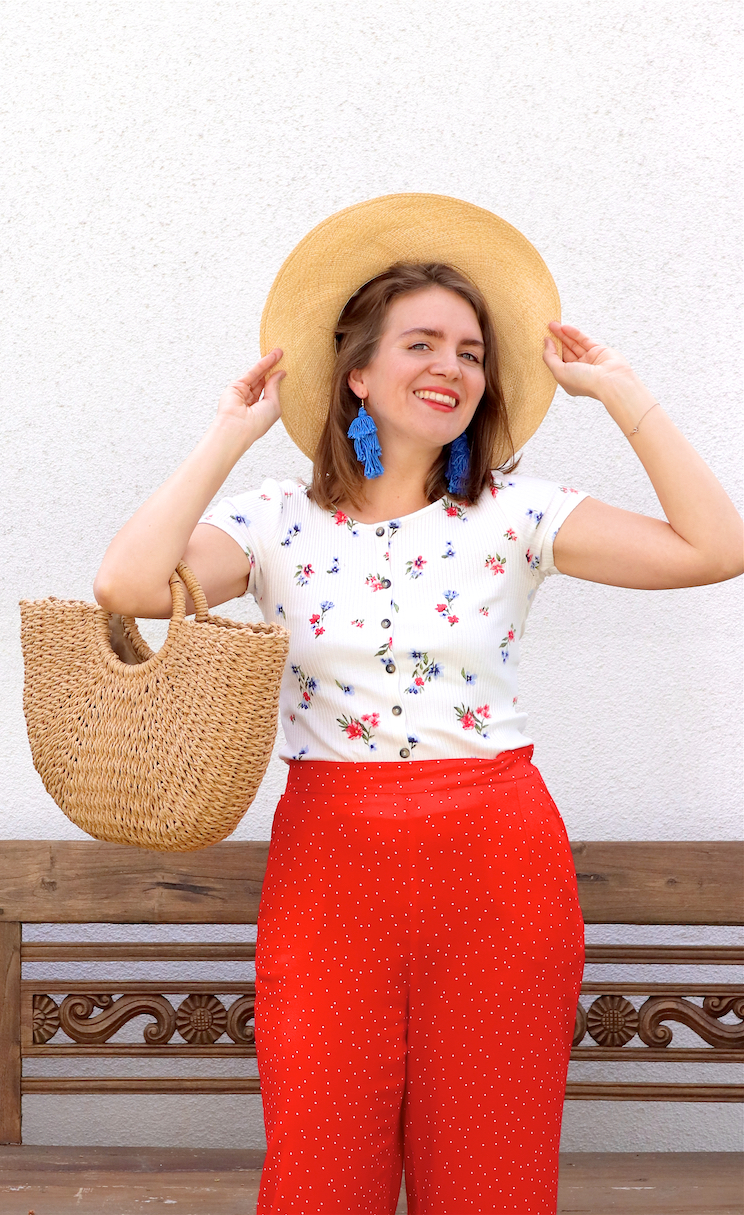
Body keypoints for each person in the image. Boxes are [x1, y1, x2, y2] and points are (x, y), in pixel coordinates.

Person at [93, 196, 743, 1215]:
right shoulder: (274, 521)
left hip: (497, 862)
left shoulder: (518, 512)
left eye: (473, 352)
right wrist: (230, 431)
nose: (453, 367)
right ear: (357, 372)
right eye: (423, 343)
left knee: (492, 1170)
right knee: (319, 1169)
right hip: (328, 863)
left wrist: (624, 395)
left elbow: (715, 548)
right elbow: (125, 586)